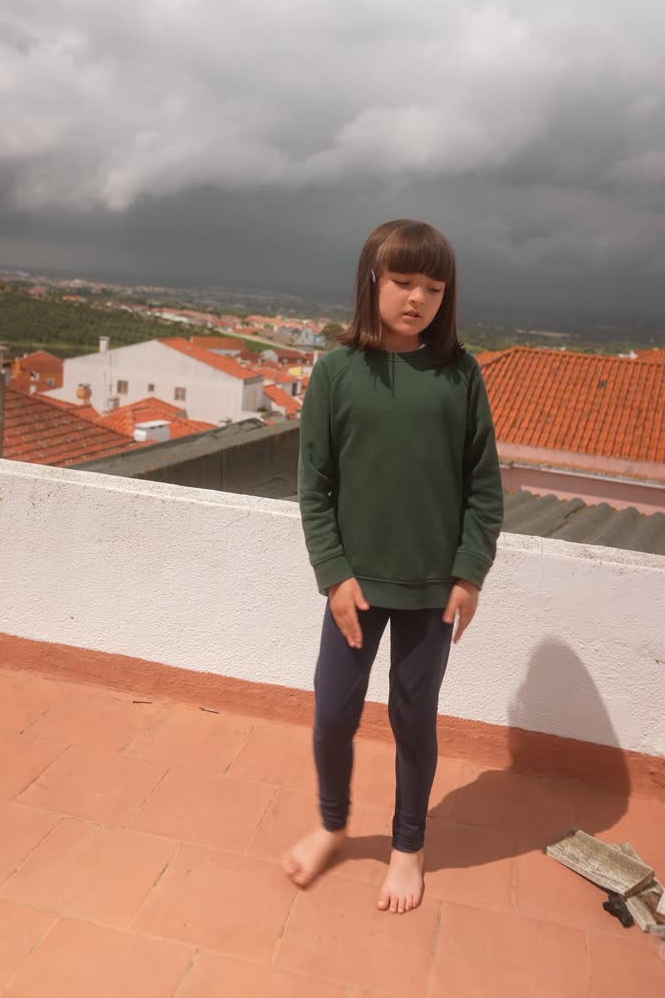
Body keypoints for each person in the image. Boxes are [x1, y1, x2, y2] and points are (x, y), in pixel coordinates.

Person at [282, 218, 504, 914]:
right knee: (332, 714)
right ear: (371, 282)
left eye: (433, 287)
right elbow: (314, 488)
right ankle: (332, 823)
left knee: (414, 719)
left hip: (432, 593)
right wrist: (334, 576)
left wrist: (469, 574)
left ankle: (408, 845)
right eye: (403, 281)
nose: (417, 298)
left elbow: (485, 489)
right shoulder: (336, 372)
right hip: (353, 587)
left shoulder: (460, 376)